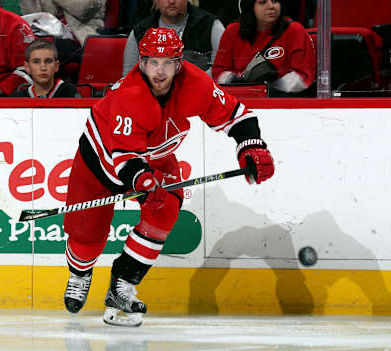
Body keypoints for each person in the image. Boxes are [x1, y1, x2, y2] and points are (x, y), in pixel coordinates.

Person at [62, 27, 274, 327]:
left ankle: (121, 286)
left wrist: (250, 146)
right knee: (86, 238)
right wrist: (143, 182)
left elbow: (237, 115)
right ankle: (80, 274)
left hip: (157, 160)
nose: (159, 71)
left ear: (179, 63)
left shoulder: (195, 83)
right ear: (141, 63)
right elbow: (124, 158)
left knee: (163, 214)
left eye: (167, 63)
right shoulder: (128, 96)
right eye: (152, 62)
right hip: (99, 162)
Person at [212, 0, 316, 96]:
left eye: (275, 1)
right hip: (239, 99)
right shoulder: (232, 31)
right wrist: (237, 83)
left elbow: (304, 76)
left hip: (283, 99)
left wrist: (269, 87)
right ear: (250, 6)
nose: (271, 6)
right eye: (263, 2)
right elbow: (219, 71)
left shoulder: (295, 30)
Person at [122, 0, 225, 77]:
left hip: (199, 94)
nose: (171, 1)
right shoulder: (140, 31)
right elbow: (129, 75)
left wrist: (192, 84)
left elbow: (219, 69)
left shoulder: (211, 25)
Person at [12, 39, 81, 98]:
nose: (43, 68)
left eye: (48, 61)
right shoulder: (20, 97)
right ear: (27, 67)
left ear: (56, 66)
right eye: (36, 62)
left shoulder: (70, 94)